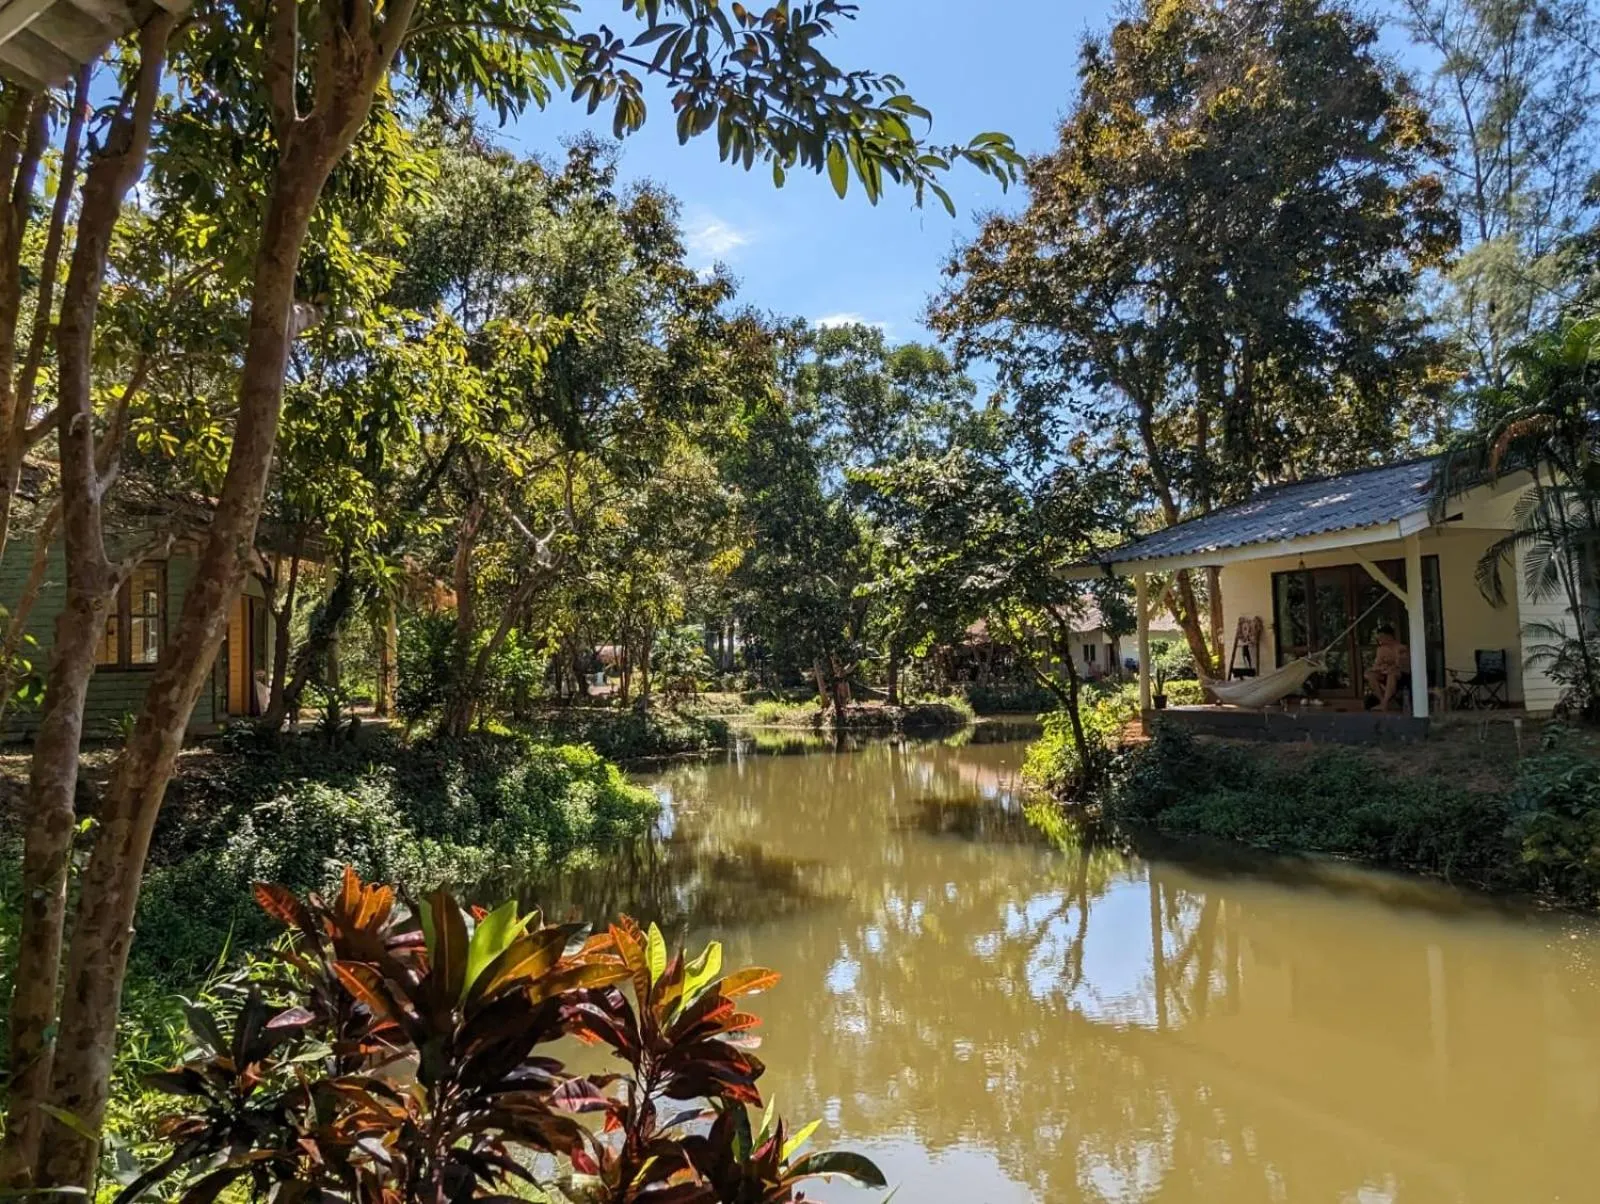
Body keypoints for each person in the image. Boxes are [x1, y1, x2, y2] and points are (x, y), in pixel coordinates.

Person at [1364, 624, 1410, 711]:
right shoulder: (1381, 649)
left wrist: (1390, 666)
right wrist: (1381, 668)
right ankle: (1383, 701)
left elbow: (1401, 664)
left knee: (1392, 673)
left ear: (1389, 636)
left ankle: (1385, 703)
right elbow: (1376, 665)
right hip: (1385, 672)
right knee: (1369, 675)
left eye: (1381, 636)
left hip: (1401, 674)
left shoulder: (1401, 648)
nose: (1379, 639)